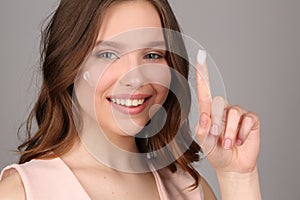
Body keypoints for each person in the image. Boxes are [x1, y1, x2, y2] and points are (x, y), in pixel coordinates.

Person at [0, 0, 261, 199]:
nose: (136, 79)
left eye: (152, 55)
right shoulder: (21, 192)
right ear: (68, 65)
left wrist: (238, 177)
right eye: (108, 54)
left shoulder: (188, 189)